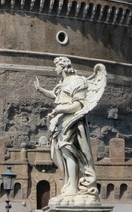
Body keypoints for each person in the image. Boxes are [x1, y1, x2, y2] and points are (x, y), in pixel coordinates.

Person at [34, 56, 106, 198]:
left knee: (69, 152)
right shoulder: (63, 82)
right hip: (60, 122)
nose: (55, 69)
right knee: (62, 154)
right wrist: (41, 90)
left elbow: (78, 105)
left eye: (56, 66)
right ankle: (68, 184)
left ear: (63, 66)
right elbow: (57, 97)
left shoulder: (78, 81)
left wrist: (59, 110)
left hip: (71, 121)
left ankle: (73, 186)